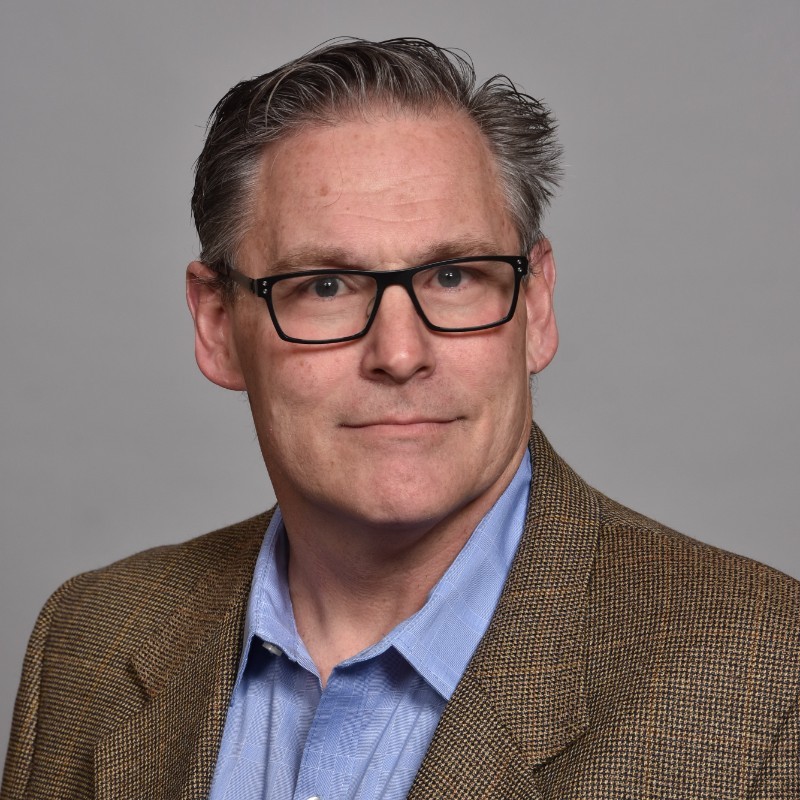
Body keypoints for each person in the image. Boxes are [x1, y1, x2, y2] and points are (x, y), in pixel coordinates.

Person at [2, 37, 798, 800]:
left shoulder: (765, 679)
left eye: (453, 275)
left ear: (538, 306)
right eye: (325, 285)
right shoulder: (91, 641)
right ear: (216, 324)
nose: (400, 352)